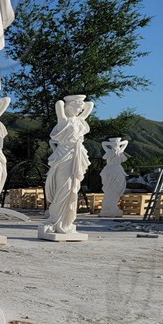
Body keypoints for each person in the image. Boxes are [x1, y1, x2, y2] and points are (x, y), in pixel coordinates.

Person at [42, 96, 94, 235]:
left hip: (76, 155)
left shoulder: (80, 121)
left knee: (73, 188)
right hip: (64, 155)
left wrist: (80, 101)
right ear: (69, 106)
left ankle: (66, 222)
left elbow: (90, 105)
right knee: (63, 187)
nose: (80, 109)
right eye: (77, 107)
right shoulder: (63, 121)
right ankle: (55, 220)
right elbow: (58, 103)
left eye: (80, 108)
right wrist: (68, 101)